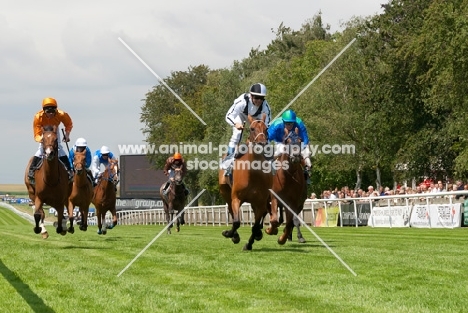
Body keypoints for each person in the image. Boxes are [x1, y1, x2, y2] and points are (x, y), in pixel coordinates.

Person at [222, 83, 272, 176]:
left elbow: (267, 123)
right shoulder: (242, 102)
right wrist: (235, 123)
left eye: (261, 98)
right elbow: (228, 116)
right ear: (251, 95)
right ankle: (228, 163)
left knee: (264, 135)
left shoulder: (265, 106)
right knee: (237, 134)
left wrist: (262, 130)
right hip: (240, 115)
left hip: (256, 117)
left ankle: (270, 163)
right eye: (256, 97)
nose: (259, 100)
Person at [28, 97, 74, 185]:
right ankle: (32, 170)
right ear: (44, 110)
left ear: (56, 110)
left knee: (59, 148)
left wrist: (67, 135)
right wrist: (42, 140)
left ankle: (69, 170)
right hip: (44, 131)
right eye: (48, 111)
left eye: (53, 111)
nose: (51, 114)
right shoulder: (38, 117)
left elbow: (69, 124)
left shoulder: (61, 114)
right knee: (41, 149)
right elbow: (36, 134)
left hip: (54, 129)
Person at [267, 109, 312, 183]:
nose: (290, 125)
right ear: (283, 121)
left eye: (291, 123)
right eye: (287, 123)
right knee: (281, 150)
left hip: (296, 143)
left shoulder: (300, 124)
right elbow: (267, 138)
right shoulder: (276, 125)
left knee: (307, 153)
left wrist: (303, 151)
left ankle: (307, 171)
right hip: (280, 142)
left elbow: (305, 140)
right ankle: (270, 169)